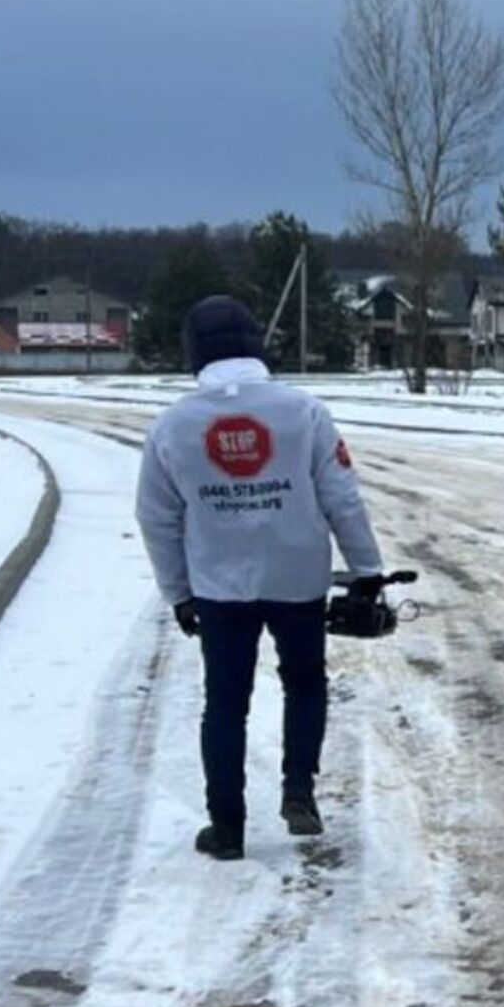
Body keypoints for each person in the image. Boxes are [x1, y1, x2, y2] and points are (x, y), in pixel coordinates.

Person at [135, 295, 385, 862]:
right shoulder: (303, 412)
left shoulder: (174, 426)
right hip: (297, 576)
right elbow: (342, 496)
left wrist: (178, 592)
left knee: (224, 704)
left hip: (220, 586)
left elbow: (156, 517)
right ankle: (299, 790)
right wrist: (366, 570)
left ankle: (226, 828)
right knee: (304, 682)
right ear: (255, 344)